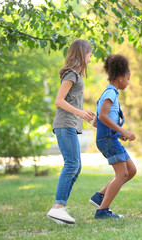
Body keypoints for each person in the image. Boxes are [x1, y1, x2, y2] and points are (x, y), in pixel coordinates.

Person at [47, 39, 95, 225]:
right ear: (82, 54)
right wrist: (80, 113)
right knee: (71, 164)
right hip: (65, 124)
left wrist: (83, 112)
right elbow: (59, 101)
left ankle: (60, 208)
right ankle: (58, 207)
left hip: (69, 125)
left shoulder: (75, 75)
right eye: (89, 54)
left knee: (76, 166)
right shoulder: (71, 74)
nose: (90, 59)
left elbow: (70, 101)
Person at [89, 54, 137, 219]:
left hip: (110, 138)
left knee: (131, 171)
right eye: (128, 79)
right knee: (122, 174)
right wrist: (123, 131)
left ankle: (99, 196)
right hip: (108, 140)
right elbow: (102, 116)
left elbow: (96, 122)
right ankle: (102, 211)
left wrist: (117, 132)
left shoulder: (108, 93)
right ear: (121, 77)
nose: (128, 82)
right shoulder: (110, 93)